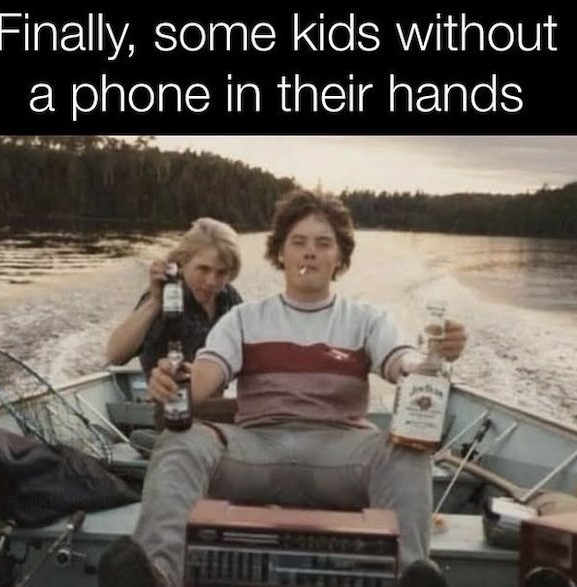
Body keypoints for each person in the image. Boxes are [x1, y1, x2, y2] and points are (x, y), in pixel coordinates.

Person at [98, 190, 467, 587]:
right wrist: (174, 381)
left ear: (340, 257)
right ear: (280, 253)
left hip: (341, 453)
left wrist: (432, 358)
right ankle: (159, 576)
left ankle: (407, 575)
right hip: (256, 448)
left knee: (409, 452)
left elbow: (404, 362)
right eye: (298, 242)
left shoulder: (368, 320)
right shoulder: (244, 318)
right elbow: (205, 374)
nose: (310, 252)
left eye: (323, 243)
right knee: (179, 441)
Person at [106, 217, 243, 412]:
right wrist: (155, 301)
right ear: (184, 262)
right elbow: (115, 355)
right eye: (203, 269)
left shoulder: (228, 297)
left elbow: (248, 353)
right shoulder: (168, 296)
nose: (212, 281)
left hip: (213, 405)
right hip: (168, 407)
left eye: (221, 273)